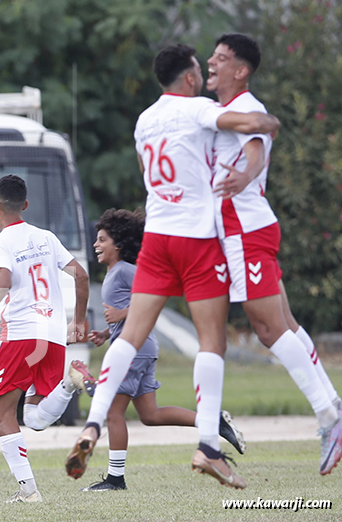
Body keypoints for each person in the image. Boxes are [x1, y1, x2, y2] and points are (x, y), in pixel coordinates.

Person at [65, 43, 280, 489]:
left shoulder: (145, 119)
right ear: (189, 78)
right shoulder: (199, 109)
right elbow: (249, 123)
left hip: (157, 237)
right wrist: (268, 122)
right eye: (200, 68)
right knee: (211, 341)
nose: (204, 74)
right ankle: (208, 446)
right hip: (195, 238)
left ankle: (93, 424)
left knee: (131, 336)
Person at [207, 33, 342, 475]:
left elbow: (254, 150)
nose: (212, 62)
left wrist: (245, 176)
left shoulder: (249, 109)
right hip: (249, 227)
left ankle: (328, 415)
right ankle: (333, 405)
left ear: (241, 70)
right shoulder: (222, 112)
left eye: (222, 58)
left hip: (244, 229)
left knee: (267, 329)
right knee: (286, 325)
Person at [82, 208, 246, 492]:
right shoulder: (114, 272)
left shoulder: (125, 270)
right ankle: (212, 421)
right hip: (140, 348)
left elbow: (155, 299)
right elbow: (134, 314)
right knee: (150, 415)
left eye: (101, 239)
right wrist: (109, 332)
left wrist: (121, 315)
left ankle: (115, 480)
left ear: (118, 244)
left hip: (137, 351)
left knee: (112, 413)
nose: (96, 244)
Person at [0, 174, 90, 503]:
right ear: (25, 205)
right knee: (34, 418)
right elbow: (81, 275)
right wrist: (79, 321)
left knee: (3, 414)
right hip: (53, 336)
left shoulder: (0, 242)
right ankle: (69, 383)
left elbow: (4, 279)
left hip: (21, 336)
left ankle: (29, 491)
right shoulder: (46, 237)